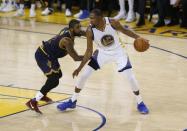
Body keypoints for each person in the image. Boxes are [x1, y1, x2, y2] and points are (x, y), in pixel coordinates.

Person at [57, 9, 149, 114]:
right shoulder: (89, 30)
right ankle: (72, 101)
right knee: (84, 75)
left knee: (130, 78)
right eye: (90, 17)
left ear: (100, 18)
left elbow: (125, 31)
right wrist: (79, 68)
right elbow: (89, 51)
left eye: (92, 18)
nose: (89, 20)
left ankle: (140, 102)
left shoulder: (113, 22)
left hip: (119, 52)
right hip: (102, 53)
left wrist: (139, 37)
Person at [25, 19, 86, 114]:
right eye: (78, 27)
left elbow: (84, 33)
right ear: (71, 29)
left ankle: (43, 94)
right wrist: (90, 56)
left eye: (80, 26)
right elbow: (76, 58)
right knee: (54, 80)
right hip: (43, 55)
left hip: (51, 55)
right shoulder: (67, 41)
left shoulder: (70, 31)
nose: (80, 29)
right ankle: (33, 101)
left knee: (58, 76)